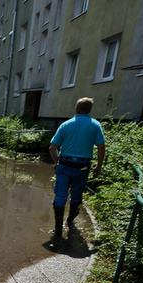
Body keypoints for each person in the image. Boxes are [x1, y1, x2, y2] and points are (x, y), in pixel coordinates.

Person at [48, 97, 105, 244]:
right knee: (76, 194)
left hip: (65, 164)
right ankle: (70, 220)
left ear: (76, 108)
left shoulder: (66, 125)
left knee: (60, 195)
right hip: (83, 166)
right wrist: (98, 165)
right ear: (89, 110)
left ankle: (58, 229)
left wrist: (57, 161)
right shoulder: (95, 125)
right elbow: (101, 146)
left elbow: (52, 147)